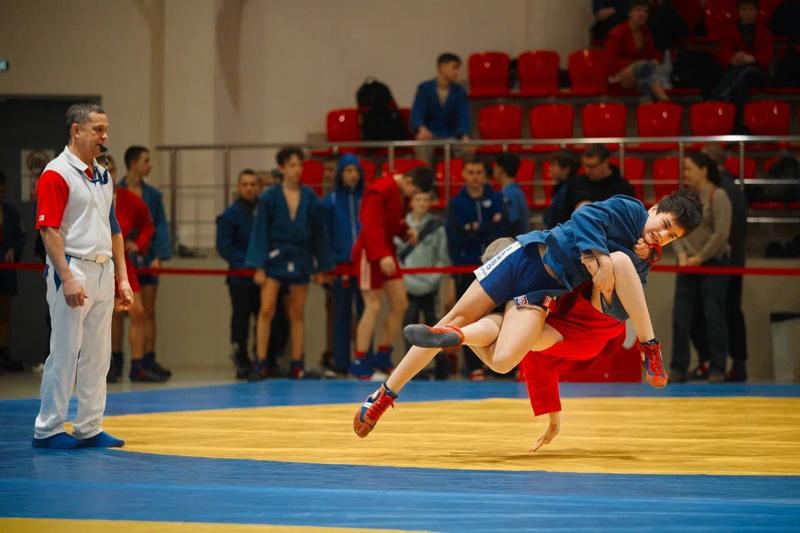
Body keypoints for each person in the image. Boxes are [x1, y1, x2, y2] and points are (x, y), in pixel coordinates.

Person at [354, 191, 703, 438]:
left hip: (543, 291)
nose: (662, 235)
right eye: (664, 224)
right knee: (452, 317)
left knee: (504, 360)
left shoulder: (644, 256)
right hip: (526, 256)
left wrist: (626, 258)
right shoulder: (630, 209)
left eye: (671, 236)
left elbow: (624, 292)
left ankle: (459, 336)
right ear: (654, 208)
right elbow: (584, 216)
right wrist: (599, 257)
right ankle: (384, 394)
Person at [32, 103, 133, 449]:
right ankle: (48, 428)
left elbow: (114, 229)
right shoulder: (56, 173)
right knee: (65, 351)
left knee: (98, 354)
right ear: (76, 131)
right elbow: (48, 230)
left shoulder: (103, 174)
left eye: (106, 130)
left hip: (104, 269)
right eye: (98, 130)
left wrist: (122, 279)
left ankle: (89, 426)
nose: (105, 137)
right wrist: (67, 276)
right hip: (73, 267)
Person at [245, 147, 333, 380]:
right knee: (266, 310)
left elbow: (319, 233)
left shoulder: (310, 196)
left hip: (301, 256)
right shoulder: (269, 197)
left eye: (299, 165)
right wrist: (259, 266)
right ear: (282, 168)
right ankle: (260, 363)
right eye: (292, 165)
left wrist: (322, 268)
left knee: (297, 313)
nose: (297, 170)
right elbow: (260, 231)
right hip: (275, 257)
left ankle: (297, 364)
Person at [351, 166, 436, 380]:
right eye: (414, 192)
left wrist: (405, 232)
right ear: (408, 181)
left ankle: (382, 355)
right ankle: (360, 360)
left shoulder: (398, 192)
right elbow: (371, 226)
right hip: (370, 253)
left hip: (385, 250)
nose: (413, 197)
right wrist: (381, 255)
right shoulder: (379, 190)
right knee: (373, 305)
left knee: (400, 303)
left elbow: (392, 223)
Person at [671, 152, 733, 384]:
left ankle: (718, 367)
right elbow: (674, 228)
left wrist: (700, 257)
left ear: (704, 170)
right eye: (684, 169)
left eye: (689, 169)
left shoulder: (719, 196)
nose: (685, 174)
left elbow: (721, 234)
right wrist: (682, 255)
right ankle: (678, 367)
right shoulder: (684, 198)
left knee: (714, 316)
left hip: (713, 263)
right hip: (687, 263)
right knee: (681, 317)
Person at [446, 156, 508, 380]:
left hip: (498, 268)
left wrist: (474, 227)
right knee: (468, 317)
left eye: (479, 172)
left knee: (499, 315)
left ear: (485, 175)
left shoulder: (498, 199)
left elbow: (502, 229)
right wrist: (487, 226)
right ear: (463, 174)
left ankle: (501, 364)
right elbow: (457, 236)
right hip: (466, 270)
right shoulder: (456, 204)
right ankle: (474, 366)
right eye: (470, 172)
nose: (475, 177)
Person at [689, 146, 748, 382]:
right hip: (720, 259)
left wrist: (709, 254)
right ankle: (717, 363)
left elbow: (730, 229)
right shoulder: (724, 188)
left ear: (708, 164)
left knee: (723, 314)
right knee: (716, 313)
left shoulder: (724, 190)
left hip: (723, 261)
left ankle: (728, 364)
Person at [107, 155, 163, 384]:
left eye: (112, 170)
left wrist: (138, 244)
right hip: (95, 263)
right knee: (110, 315)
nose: (108, 174)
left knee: (137, 311)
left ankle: (137, 365)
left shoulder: (128, 198)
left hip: (122, 262)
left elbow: (148, 224)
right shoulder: (87, 197)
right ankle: (112, 363)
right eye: (103, 169)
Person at [119, 146, 172, 379]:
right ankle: (116, 359)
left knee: (147, 310)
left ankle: (147, 358)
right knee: (118, 312)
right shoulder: (115, 191)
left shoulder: (153, 196)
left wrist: (158, 255)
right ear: (133, 163)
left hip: (147, 258)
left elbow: (159, 225)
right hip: (120, 260)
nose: (149, 165)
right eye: (146, 161)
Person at [396, 190, 452, 379]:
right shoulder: (401, 226)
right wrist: (406, 280)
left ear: (430, 203)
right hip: (407, 285)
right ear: (411, 202)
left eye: (425, 199)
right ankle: (411, 371)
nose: (421, 203)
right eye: (418, 199)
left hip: (431, 285)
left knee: (435, 326)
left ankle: (441, 367)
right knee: (409, 325)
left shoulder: (437, 227)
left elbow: (442, 257)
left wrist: (432, 279)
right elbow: (397, 257)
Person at [216, 169, 263, 380]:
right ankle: (242, 360)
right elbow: (224, 246)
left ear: (258, 187)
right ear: (238, 187)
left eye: (253, 184)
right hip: (240, 278)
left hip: (264, 276)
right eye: (245, 184)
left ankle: (264, 359)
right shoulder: (230, 214)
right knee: (241, 320)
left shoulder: (264, 211)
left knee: (267, 318)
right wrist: (248, 261)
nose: (249, 188)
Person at [321, 154, 365, 377]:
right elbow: (324, 235)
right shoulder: (329, 201)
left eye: (355, 170)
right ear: (340, 174)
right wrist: (326, 266)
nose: (352, 175)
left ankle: (364, 360)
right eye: (348, 170)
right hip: (340, 266)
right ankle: (340, 363)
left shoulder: (366, 198)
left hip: (364, 266)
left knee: (366, 314)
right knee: (341, 315)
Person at [712, 0, 773, 132]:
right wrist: (733, 59)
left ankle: (720, 94)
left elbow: (766, 56)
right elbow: (723, 52)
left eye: (750, 10)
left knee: (746, 70)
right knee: (740, 84)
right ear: (738, 12)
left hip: (757, 73)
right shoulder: (729, 32)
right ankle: (737, 125)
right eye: (743, 9)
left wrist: (751, 58)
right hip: (737, 72)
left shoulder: (765, 33)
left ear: (756, 12)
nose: (747, 13)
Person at [410, 53, 471, 163]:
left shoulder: (460, 91)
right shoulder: (424, 88)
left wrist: (464, 134)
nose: (457, 72)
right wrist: (421, 128)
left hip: (452, 134)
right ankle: (424, 172)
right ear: (441, 67)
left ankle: (460, 172)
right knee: (421, 143)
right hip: (430, 133)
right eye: (454, 67)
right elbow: (417, 111)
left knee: (467, 147)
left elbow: (464, 115)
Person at [606, 0, 671, 102]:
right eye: (638, 10)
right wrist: (636, 63)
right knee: (645, 67)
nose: (642, 14)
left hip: (640, 75)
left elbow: (651, 54)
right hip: (617, 77)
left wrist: (656, 60)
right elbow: (610, 62)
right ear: (629, 13)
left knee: (646, 77)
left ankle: (647, 106)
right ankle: (665, 101)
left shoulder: (646, 32)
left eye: (645, 11)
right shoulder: (617, 32)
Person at [559, 144, 635, 223]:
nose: (587, 170)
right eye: (585, 166)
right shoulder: (576, 184)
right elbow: (565, 216)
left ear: (605, 162)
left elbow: (628, 217)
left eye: (592, 166)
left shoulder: (622, 186)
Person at [0, 170, 26, 372]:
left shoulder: (11, 212)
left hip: (6, 269)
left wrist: (14, 250)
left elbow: (21, 236)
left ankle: (4, 352)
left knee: (5, 313)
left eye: (3, 190)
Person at [494, 153, 530, 236]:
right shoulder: (517, 191)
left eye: (495, 167)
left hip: (514, 241)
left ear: (500, 169)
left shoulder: (508, 194)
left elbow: (512, 222)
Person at [543, 151, 580, 229]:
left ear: (566, 169)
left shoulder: (568, 190)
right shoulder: (561, 188)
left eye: (553, 165)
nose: (550, 169)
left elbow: (556, 220)